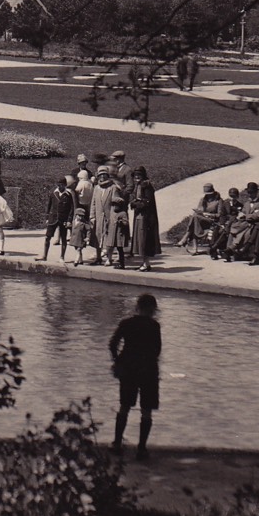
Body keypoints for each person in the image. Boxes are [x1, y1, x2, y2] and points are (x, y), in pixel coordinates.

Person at [109, 294, 162, 460]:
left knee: (124, 406)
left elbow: (112, 344)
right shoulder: (154, 326)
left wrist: (118, 360)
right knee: (146, 411)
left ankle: (117, 443)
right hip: (148, 370)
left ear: (137, 307)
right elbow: (157, 349)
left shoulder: (126, 323)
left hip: (128, 369)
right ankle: (141, 448)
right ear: (153, 309)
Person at [180, 183, 226, 258]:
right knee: (195, 218)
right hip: (202, 220)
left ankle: (186, 237)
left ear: (213, 192)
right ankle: (191, 244)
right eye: (207, 194)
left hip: (212, 221)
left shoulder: (218, 201)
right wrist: (199, 212)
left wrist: (208, 214)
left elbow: (219, 215)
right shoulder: (203, 200)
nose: (208, 195)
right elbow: (199, 210)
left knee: (195, 218)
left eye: (210, 194)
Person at [226, 182, 259, 262]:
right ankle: (230, 250)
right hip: (244, 223)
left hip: (254, 224)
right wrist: (242, 216)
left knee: (247, 230)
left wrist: (246, 216)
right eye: (248, 192)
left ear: (256, 192)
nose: (250, 194)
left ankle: (232, 248)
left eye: (251, 192)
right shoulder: (246, 204)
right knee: (234, 227)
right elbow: (242, 213)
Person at [129, 167, 160, 272]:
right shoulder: (138, 186)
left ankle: (146, 264)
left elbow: (147, 202)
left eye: (139, 175)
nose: (137, 177)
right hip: (140, 216)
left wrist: (135, 203)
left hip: (146, 217)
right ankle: (144, 262)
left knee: (144, 240)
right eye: (135, 175)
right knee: (140, 240)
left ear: (143, 176)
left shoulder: (147, 186)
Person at [38, 175, 75, 262]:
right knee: (48, 237)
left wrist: (69, 220)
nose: (60, 187)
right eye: (58, 185)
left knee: (63, 238)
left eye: (62, 185)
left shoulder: (68, 195)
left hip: (63, 219)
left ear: (65, 185)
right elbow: (49, 206)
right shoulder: (53, 193)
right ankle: (45, 255)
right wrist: (47, 217)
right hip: (53, 218)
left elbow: (71, 209)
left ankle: (62, 257)